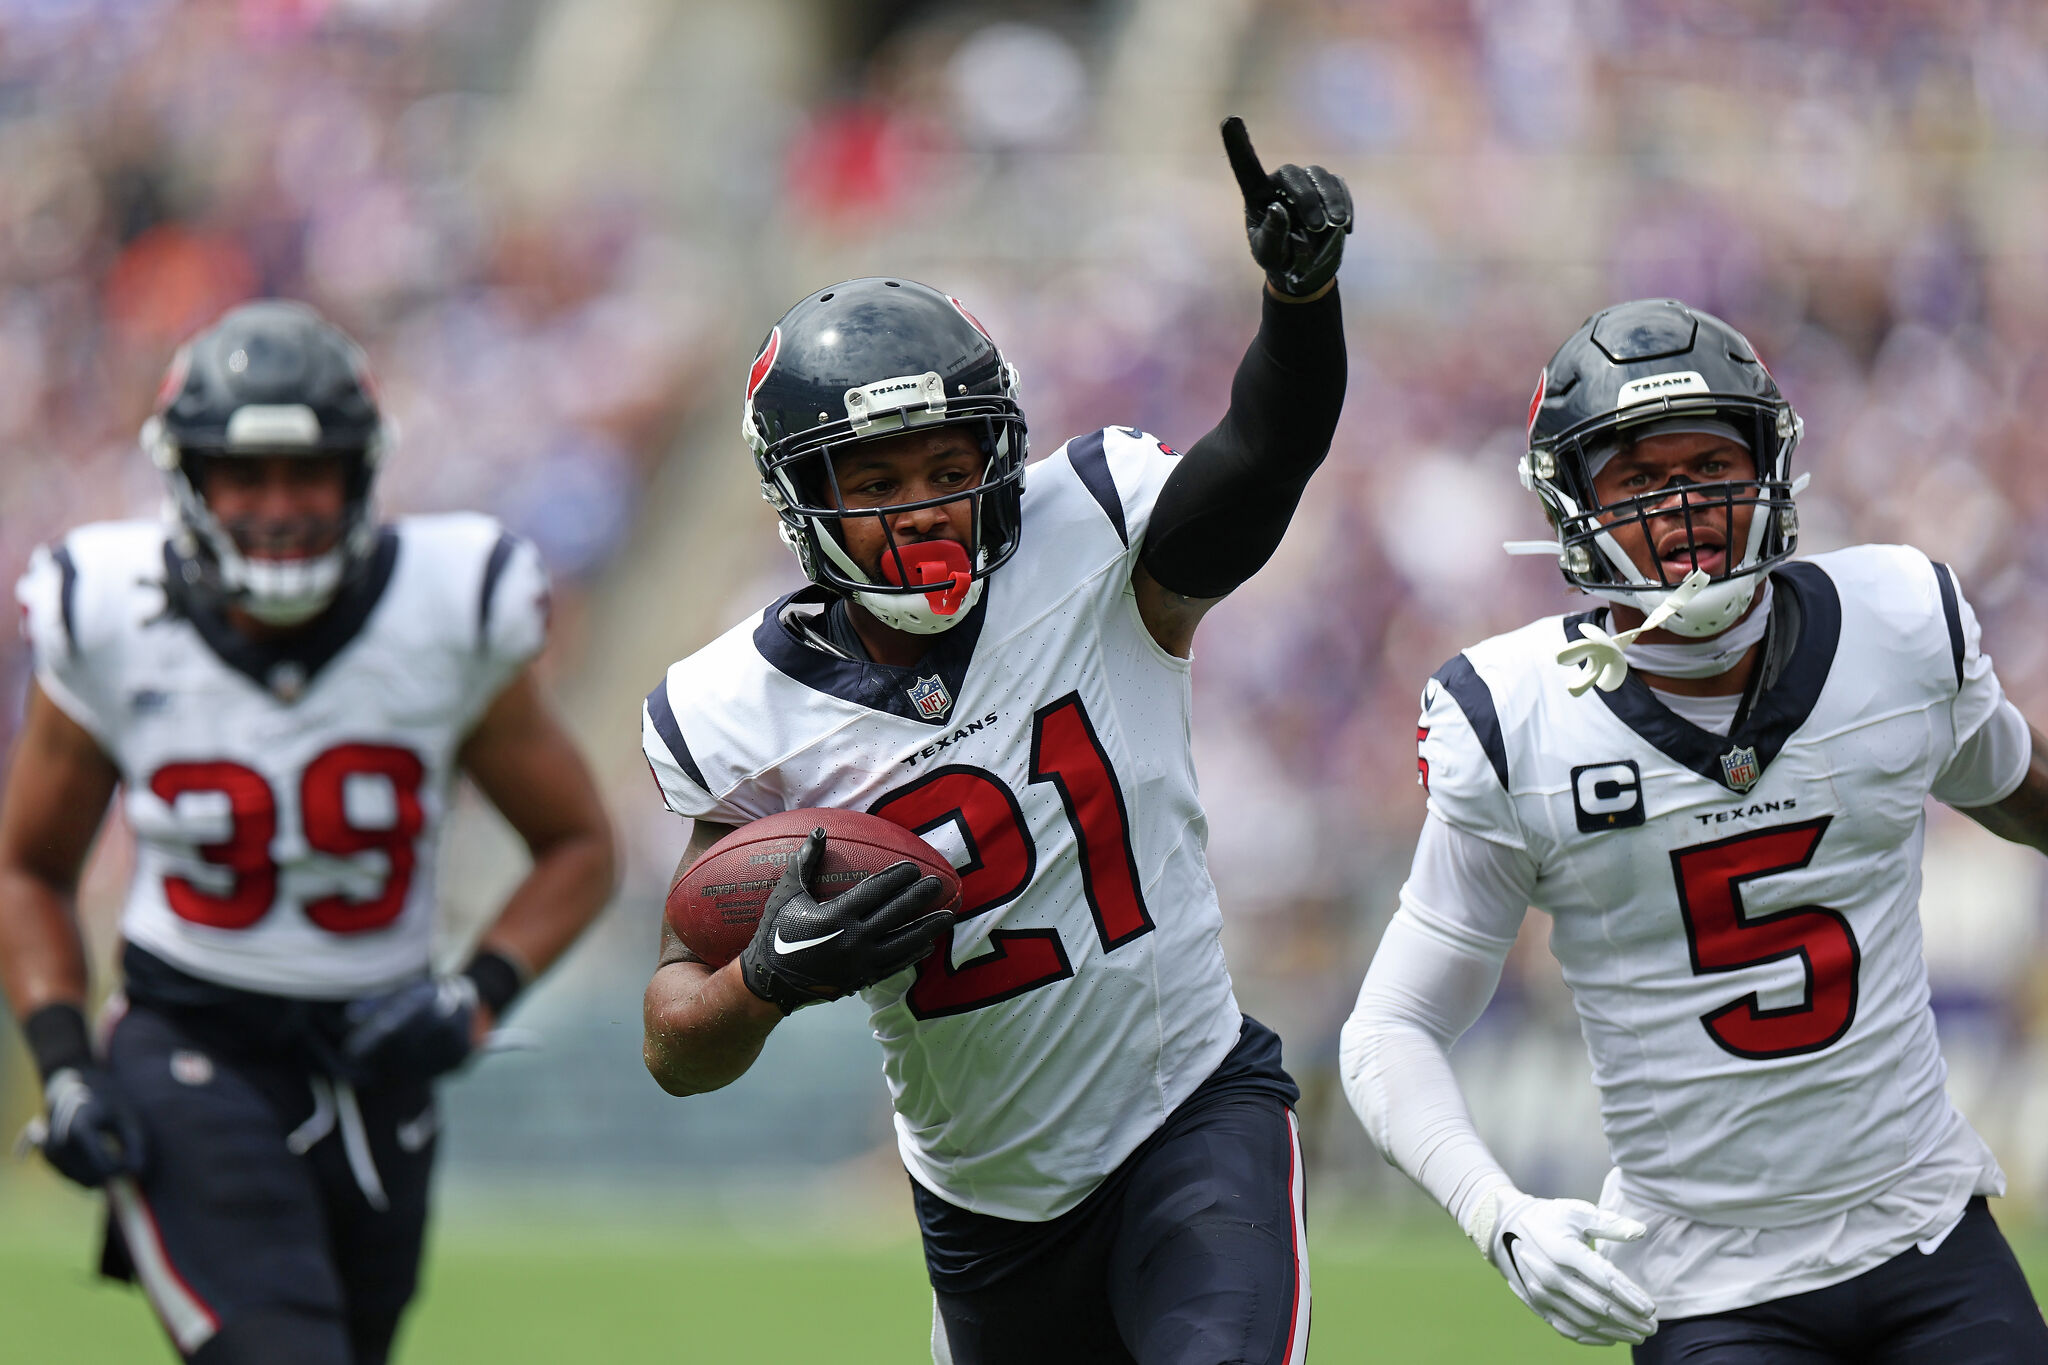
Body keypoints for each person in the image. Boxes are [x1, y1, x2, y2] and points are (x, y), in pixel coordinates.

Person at [639, 119, 1348, 1365]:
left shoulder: (1095, 547)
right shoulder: (740, 712)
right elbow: (673, 1044)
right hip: (982, 1207)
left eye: (946, 462)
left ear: (1000, 455)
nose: (922, 504)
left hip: (1190, 1111)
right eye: (875, 482)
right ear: (805, 504)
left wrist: (1299, 304)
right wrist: (769, 977)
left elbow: (1264, 454)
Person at [1339, 297, 2048, 1361]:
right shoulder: (1516, 720)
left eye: (1709, 464)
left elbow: (2012, 780)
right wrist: (1499, 1214)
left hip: (1922, 1227)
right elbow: (1388, 1029)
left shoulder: (1898, 627)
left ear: (1767, 469)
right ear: (1570, 506)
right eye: (1639, 479)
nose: (1685, 504)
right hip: (1709, 1283)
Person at [0, 300, 616, 1365]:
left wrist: (475, 999)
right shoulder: (105, 610)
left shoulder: (446, 605)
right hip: (190, 1042)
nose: (277, 507)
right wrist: (63, 1063)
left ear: (361, 474)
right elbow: (29, 867)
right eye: (243, 477)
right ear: (188, 482)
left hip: (381, 1061)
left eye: (307, 473)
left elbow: (578, 845)